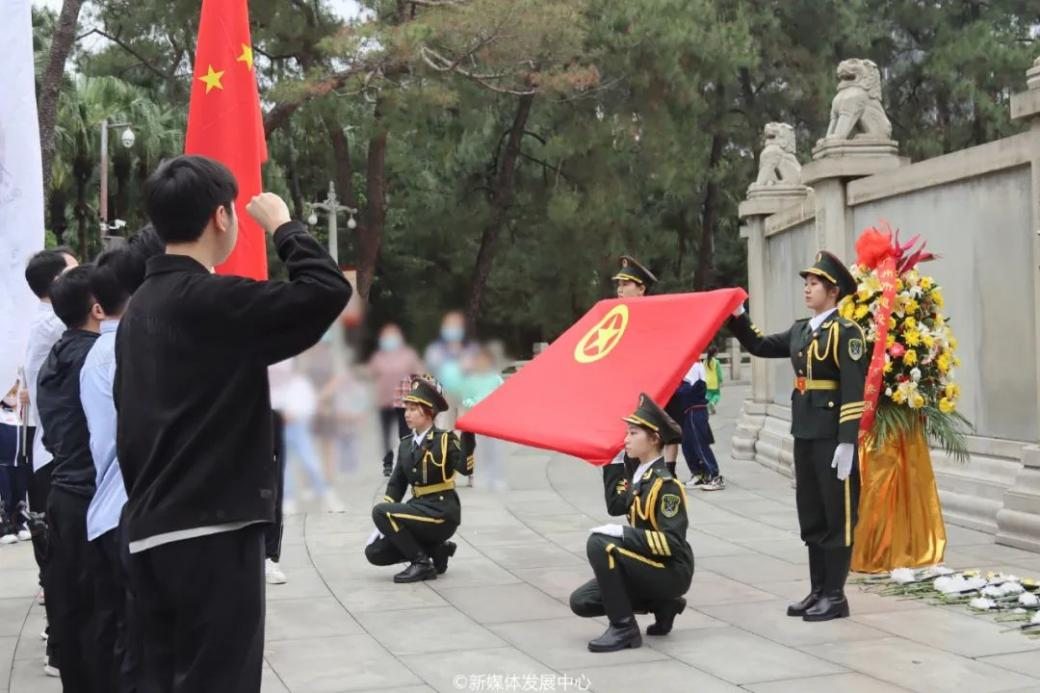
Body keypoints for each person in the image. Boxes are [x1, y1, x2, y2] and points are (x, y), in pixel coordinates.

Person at [115, 155, 351, 692]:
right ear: (221, 216)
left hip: (150, 529)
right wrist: (285, 226)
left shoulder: (139, 310)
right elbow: (326, 289)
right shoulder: (210, 300)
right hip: (211, 530)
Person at [728, 250, 867, 622]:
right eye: (806, 283)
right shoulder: (800, 330)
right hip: (804, 432)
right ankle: (818, 590)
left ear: (833, 291)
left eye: (815, 283)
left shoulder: (847, 333)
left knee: (837, 515)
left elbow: (854, 390)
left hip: (832, 437)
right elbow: (759, 345)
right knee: (812, 514)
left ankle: (835, 596)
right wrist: (737, 315)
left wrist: (847, 442)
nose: (807, 289)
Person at [80, 228, 164, 692]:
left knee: (128, 647)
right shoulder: (131, 348)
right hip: (130, 514)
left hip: (108, 514)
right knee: (144, 653)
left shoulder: (100, 352)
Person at [569, 393, 694, 652]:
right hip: (647, 562)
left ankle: (624, 628)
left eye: (633, 433)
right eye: (627, 433)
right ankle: (663, 604)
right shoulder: (640, 475)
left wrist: (623, 534)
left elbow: (672, 542)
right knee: (582, 601)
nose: (626, 439)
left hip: (670, 569)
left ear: (654, 439)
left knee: (600, 545)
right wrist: (613, 461)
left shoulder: (666, 485)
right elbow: (616, 505)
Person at [36, 264, 102, 690]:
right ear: (97, 308)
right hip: (94, 498)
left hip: (64, 493)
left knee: (74, 615)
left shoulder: (55, 357)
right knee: (104, 619)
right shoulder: (99, 359)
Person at [21, 246, 78, 656]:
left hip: (53, 454)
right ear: (58, 283)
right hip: (58, 455)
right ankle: (59, 641)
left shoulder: (50, 322)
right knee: (64, 555)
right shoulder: (53, 324)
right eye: (77, 271)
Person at [365, 376, 475, 583]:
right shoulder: (406, 444)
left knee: (379, 511)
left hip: (441, 512)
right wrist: (383, 524)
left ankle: (421, 563)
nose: (407, 414)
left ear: (429, 412)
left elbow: (465, 468)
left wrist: (468, 435)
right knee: (375, 553)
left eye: (413, 409)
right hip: (418, 508)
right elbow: (396, 484)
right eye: (406, 409)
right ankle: (437, 550)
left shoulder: (445, 440)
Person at [613, 256, 682, 477]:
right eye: (619, 284)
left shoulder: (654, 316)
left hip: (649, 396)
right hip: (626, 394)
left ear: (641, 288)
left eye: (626, 284)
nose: (620, 289)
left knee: (644, 460)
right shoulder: (617, 317)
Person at [367, 323, 422, 476]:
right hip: (384, 401)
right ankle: (387, 464)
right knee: (386, 435)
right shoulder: (378, 357)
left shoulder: (409, 354)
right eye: (386, 335)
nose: (389, 339)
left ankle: (405, 462)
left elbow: (418, 373)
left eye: (392, 335)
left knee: (405, 434)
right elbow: (371, 374)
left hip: (404, 401)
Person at [460, 344, 506, 491]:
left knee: (492, 448)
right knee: (473, 447)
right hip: (475, 418)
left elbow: (504, 393)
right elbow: (465, 398)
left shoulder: (495, 379)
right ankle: (472, 475)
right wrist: (474, 405)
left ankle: (494, 476)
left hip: (491, 418)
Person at [676, 357, 724, 491]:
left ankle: (714, 476)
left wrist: (674, 387)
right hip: (689, 411)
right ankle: (698, 474)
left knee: (700, 444)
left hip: (696, 410)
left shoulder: (694, 365)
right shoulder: (690, 365)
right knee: (687, 445)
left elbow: (687, 389)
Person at [424, 311, 476, 429]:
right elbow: (430, 371)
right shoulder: (434, 350)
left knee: (465, 428)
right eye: (450, 325)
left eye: (456, 325)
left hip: (466, 395)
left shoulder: (471, 349)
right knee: (444, 426)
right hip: (444, 395)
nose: (453, 329)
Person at [704, 345, 724, 414]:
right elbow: (719, 373)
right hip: (715, 382)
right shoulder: (716, 362)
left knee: (708, 396)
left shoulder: (704, 362)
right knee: (717, 395)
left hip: (707, 382)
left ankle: (709, 407)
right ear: (715, 353)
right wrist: (721, 381)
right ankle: (713, 403)